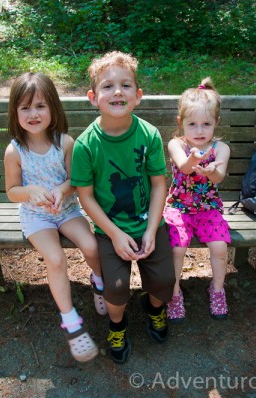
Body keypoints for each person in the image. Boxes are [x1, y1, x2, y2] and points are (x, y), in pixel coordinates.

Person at [71, 51, 176, 364]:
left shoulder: (149, 134)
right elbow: (85, 196)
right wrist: (114, 234)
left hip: (150, 224)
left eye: (126, 85)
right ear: (93, 97)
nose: (117, 91)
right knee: (115, 291)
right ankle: (117, 325)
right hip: (110, 229)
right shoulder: (86, 144)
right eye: (108, 86)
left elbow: (159, 184)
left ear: (138, 95)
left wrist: (152, 229)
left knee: (164, 282)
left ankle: (154, 309)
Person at [3, 72, 106, 363]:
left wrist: (63, 189)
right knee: (57, 259)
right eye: (25, 108)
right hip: (37, 218)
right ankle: (72, 323)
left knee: (91, 246)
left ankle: (99, 282)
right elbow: (11, 191)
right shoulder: (15, 151)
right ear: (15, 113)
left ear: (53, 109)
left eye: (40, 106)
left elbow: (75, 180)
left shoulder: (65, 143)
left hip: (67, 211)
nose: (33, 114)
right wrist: (30, 191)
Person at [163, 77, 232, 323]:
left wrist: (211, 170)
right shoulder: (176, 144)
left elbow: (220, 176)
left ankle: (217, 290)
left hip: (208, 208)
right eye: (193, 124)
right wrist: (194, 160)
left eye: (206, 124)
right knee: (177, 248)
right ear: (181, 123)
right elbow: (183, 166)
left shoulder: (220, 148)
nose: (199, 131)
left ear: (216, 123)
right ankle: (173, 293)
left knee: (219, 247)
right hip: (178, 208)